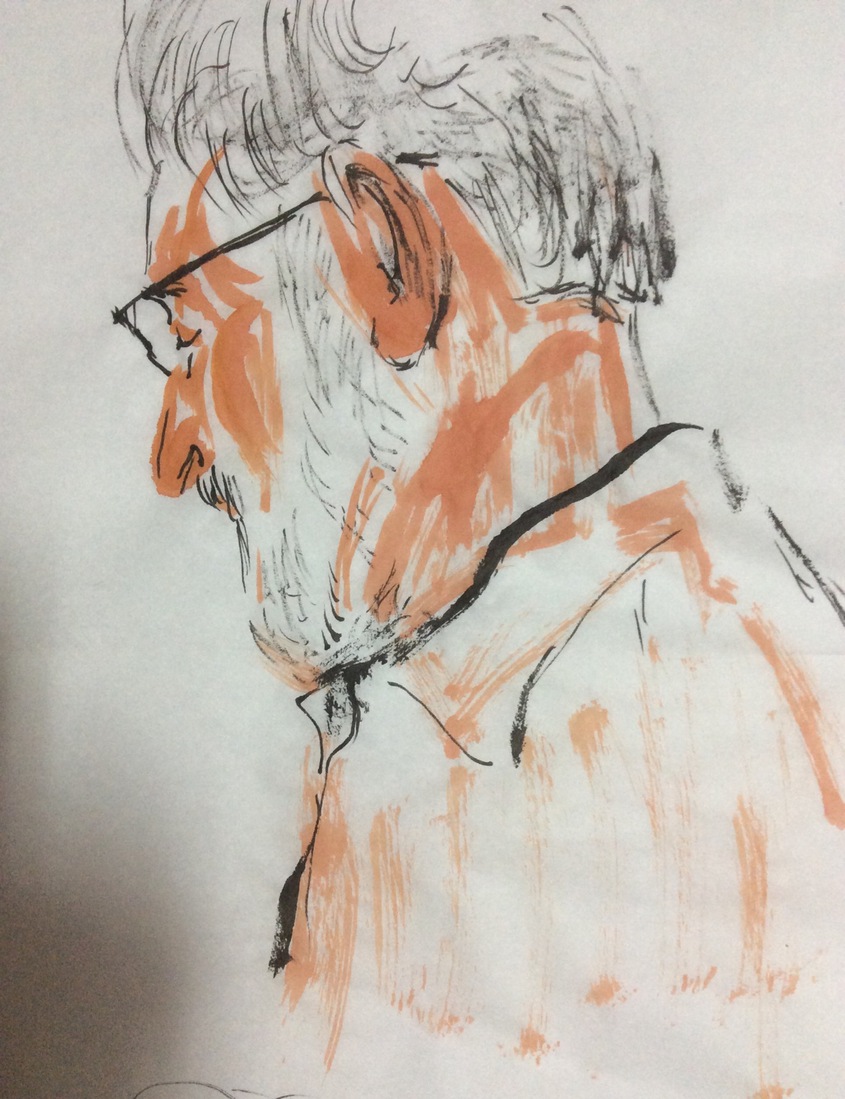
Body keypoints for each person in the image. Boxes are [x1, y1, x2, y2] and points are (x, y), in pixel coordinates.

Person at [115, 2, 845, 1095]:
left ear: (381, 252)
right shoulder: (476, 713)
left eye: (186, 336)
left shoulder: (667, 741)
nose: (171, 458)